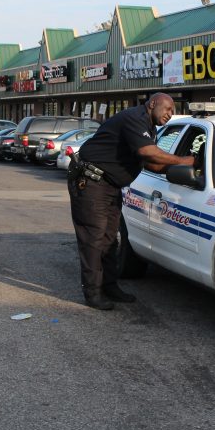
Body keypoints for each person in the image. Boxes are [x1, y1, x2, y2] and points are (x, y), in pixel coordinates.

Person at [68, 93, 194, 310]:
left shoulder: (149, 127)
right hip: (90, 182)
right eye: (167, 109)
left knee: (109, 239)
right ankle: (92, 292)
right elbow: (148, 152)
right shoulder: (134, 118)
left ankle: (109, 286)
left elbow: (151, 164)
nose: (170, 114)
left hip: (109, 185)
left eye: (173, 111)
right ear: (152, 104)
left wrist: (188, 168)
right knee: (94, 239)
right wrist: (183, 160)